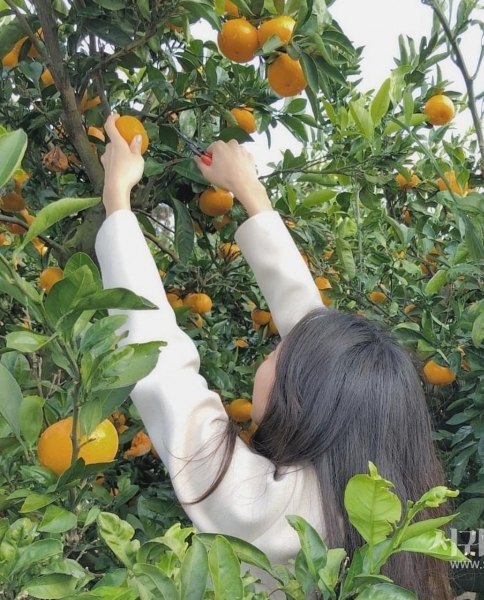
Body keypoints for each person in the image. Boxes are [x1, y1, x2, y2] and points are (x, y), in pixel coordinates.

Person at [96, 114, 452, 599]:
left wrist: (116, 201)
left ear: (304, 394)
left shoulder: (265, 508)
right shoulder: (379, 502)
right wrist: (247, 189)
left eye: (277, 353)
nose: (268, 354)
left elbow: (161, 367)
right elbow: (318, 338)